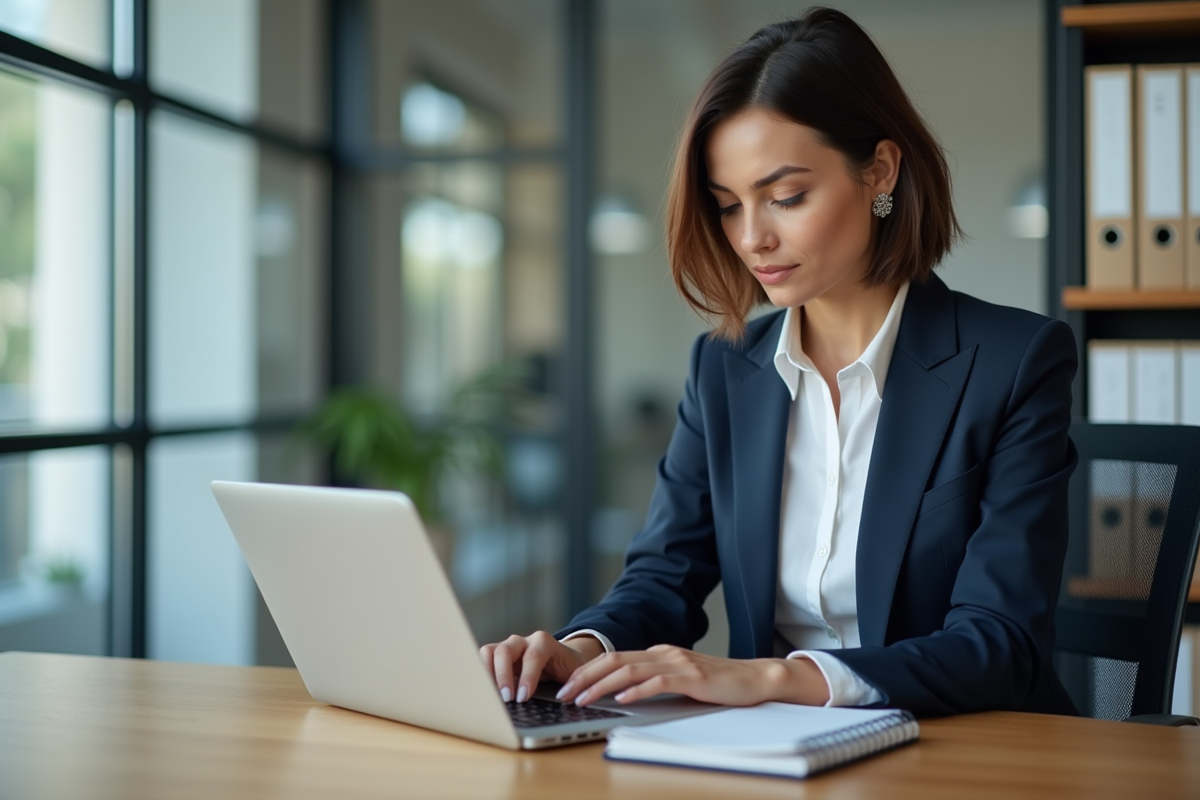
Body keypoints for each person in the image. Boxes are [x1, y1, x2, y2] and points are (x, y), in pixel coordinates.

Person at [480, 6, 1078, 717]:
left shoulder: (1014, 363)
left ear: (880, 170)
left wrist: (769, 678)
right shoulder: (724, 370)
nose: (753, 237)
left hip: (963, 752)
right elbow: (663, 578)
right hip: (778, 757)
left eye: (786, 196)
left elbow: (999, 642)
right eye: (729, 206)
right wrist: (580, 649)